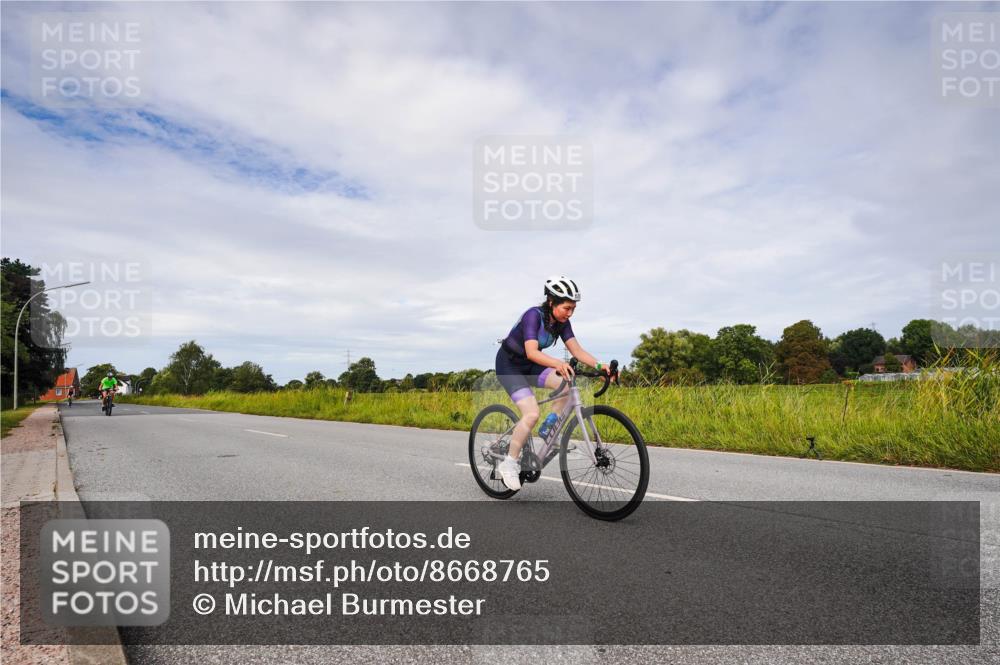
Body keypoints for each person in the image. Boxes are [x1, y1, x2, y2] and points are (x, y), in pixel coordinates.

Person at [495, 276, 609, 490]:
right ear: (551, 302)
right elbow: (531, 351)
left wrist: (600, 366)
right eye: (566, 308)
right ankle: (509, 463)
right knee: (531, 413)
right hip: (509, 366)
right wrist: (557, 363)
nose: (570, 313)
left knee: (566, 385)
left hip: (531, 365)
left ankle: (549, 430)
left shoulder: (562, 323)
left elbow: (577, 351)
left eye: (573, 309)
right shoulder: (533, 316)